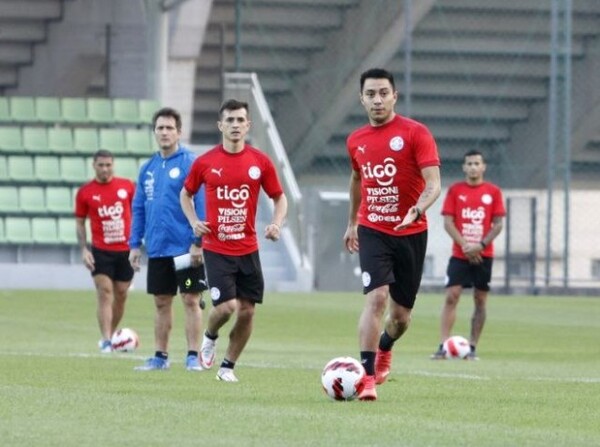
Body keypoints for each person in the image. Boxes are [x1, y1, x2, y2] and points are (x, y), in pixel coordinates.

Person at [343, 68, 441, 401]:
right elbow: (357, 180)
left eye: (383, 93)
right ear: (362, 99)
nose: (377, 99)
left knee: (400, 317)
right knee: (376, 298)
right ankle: (366, 378)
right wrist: (352, 222)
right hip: (373, 229)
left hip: (411, 232)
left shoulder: (416, 133)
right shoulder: (355, 140)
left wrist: (418, 208)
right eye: (370, 94)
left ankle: (386, 345)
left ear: (394, 96)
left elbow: (433, 183)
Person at [180, 99, 287, 382]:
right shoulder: (205, 162)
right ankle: (210, 335)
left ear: (248, 125)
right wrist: (194, 223)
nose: (236, 125)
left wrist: (276, 223)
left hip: (248, 249)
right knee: (227, 307)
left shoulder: (260, 162)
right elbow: (186, 194)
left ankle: (227, 366)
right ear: (221, 125)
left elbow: (279, 197)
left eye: (241, 120)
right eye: (230, 120)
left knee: (248, 312)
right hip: (217, 249)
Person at [129, 107, 207, 372]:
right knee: (162, 302)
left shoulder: (190, 163)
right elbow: (139, 207)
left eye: (169, 128)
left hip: (185, 246)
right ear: (154, 132)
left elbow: (203, 202)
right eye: (160, 128)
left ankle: (193, 356)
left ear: (179, 132)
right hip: (158, 247)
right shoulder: (148, 168)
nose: (164, 132)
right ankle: (160, 357)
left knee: (190, 299)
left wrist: (198, 241)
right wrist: (134, 245)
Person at [431, 150, 505, 360]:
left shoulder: (493, 192)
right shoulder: (455, 191)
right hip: (460, 254)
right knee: (451, 296)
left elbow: (498, 224)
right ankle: (443, 345)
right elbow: (448, 222)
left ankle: (472, 347)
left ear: (483, 167)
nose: (473, 167)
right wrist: (466, 246)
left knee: (480, 300)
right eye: (469, 163)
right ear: (464, 167)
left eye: (476, 163)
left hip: (484, 254)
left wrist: (480, 246)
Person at [74, 149, 136, 353]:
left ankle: (112, 333)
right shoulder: (85, 192)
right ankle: (107, 339)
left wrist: (136, 244)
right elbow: (80, 223)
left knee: (121, 294)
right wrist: (84, 249)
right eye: (101, 165)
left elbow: (138, 213)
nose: (105, 169)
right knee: (105, 292)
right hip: (100, 251)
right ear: (94, 166)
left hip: (125, 250)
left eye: (108, 165)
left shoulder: (127, 186)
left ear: (113, 165)